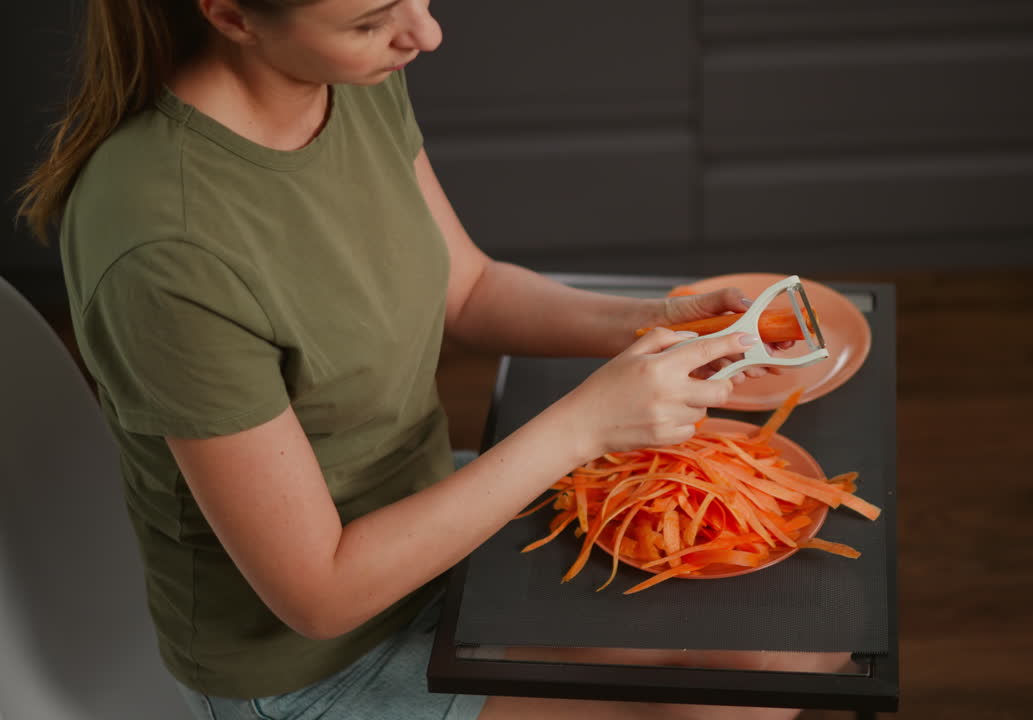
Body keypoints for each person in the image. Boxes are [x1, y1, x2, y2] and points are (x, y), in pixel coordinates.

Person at [17, 1, 842, 718]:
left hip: (437, 518)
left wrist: (655, 319)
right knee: (739, 694)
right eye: (373, 18)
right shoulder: (167, 249)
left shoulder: (347, 76)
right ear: (230, 15)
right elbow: (319, 594)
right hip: (312, 668)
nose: (427, 32)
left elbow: (470, 288)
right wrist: (583, 426)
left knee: (805, 643)